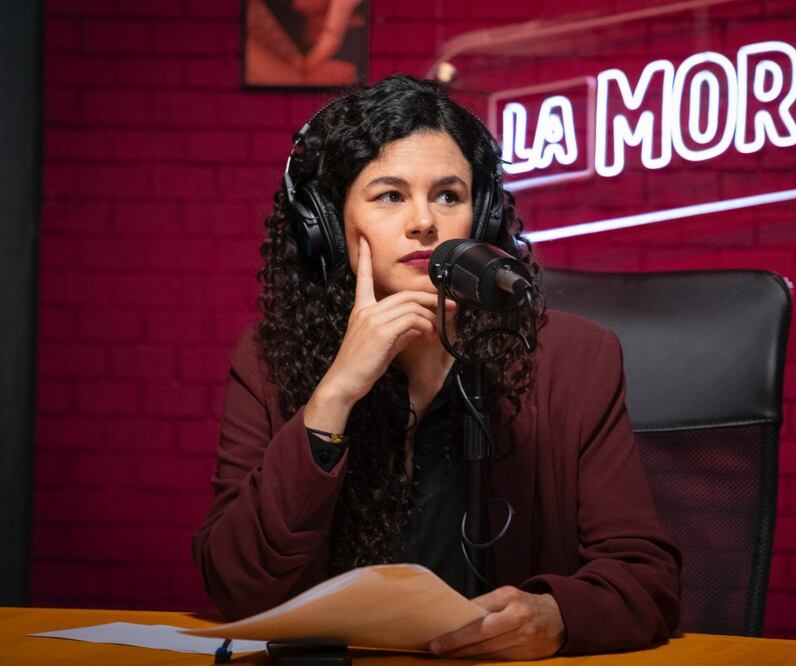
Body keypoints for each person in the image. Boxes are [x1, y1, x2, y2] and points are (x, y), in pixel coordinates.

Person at [192, 74, 681, 659]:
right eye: (390, 195)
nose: (425, 221)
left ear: (480, 219)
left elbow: (648, 580)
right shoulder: (268, 361)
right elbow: (233, 586)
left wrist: (558, 614)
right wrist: (334, 398)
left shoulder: (574, 362)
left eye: (449, 196)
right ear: (324, 225)